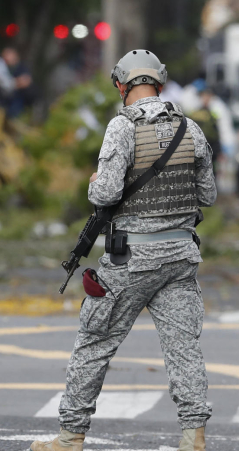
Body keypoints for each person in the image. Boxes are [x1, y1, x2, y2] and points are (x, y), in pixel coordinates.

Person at [29, 50, 216, 451]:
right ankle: (194, 435)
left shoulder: (122, 128)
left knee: (94, 343)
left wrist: (95, 180)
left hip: (131, 260)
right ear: (160, 83)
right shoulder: (192, 130)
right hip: (181, 258)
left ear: (120, 85)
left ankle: (70, 436)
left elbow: (106, 193)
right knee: (184, 348)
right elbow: (209, 195)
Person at [189, 87, 222, 174]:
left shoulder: (213, 114)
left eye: (208, 96)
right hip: (198, 149)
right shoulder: (195, 114)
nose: (206, 99)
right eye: (204, 96)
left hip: (211, 148)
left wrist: (219, 151)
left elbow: (216, 134)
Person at [0, 47, 34, 117]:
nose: (5, 58)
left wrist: (12, 83)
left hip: (19, 99)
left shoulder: (21, 67)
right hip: (5, 100)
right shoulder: (3, 68)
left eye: (7, 55)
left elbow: (26, 81)